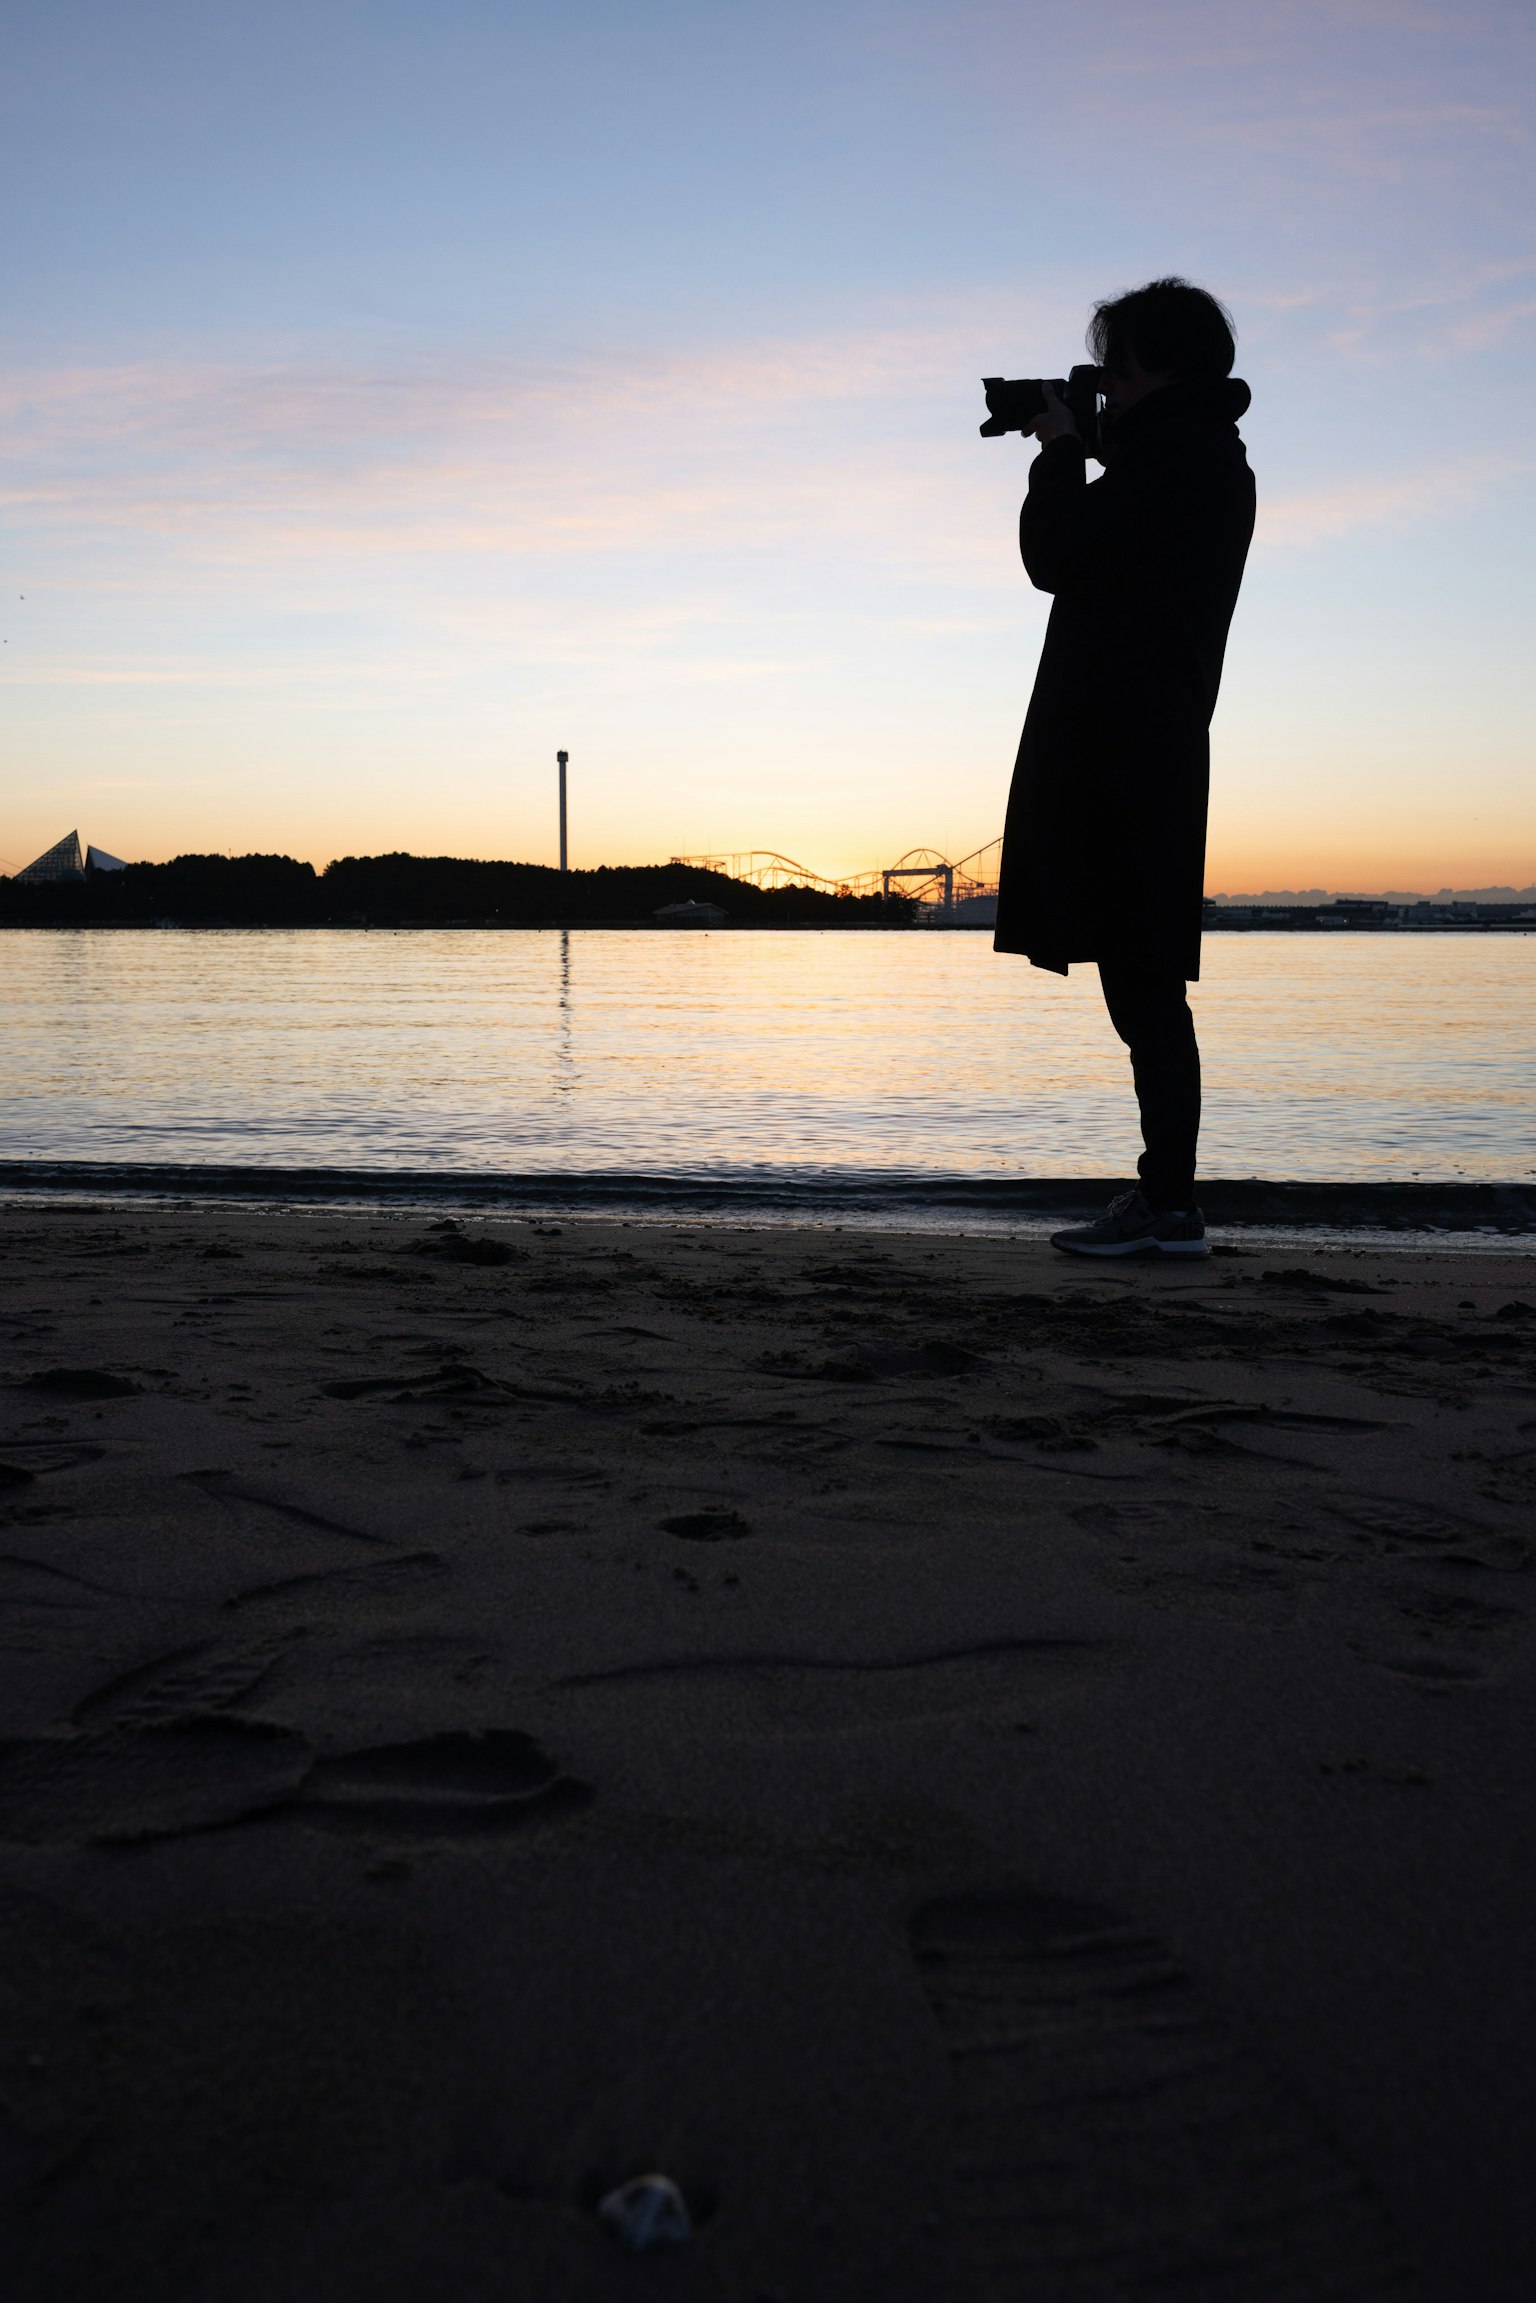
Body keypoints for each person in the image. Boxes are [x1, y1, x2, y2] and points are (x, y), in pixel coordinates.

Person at [993, 277, 1255, 1258]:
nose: (1106, 379)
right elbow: (1121, 531)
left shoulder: (1182, 463)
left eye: (1119, 363)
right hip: (1141, 740)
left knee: (1144, 979)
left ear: (1160, 365)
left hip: (1127, 748)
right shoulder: (1194, 455)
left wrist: (1062, 447)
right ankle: (1165, 1197)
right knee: (1137, 975)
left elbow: (1057, 552)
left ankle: (1169, 1204)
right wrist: (1085, 438)